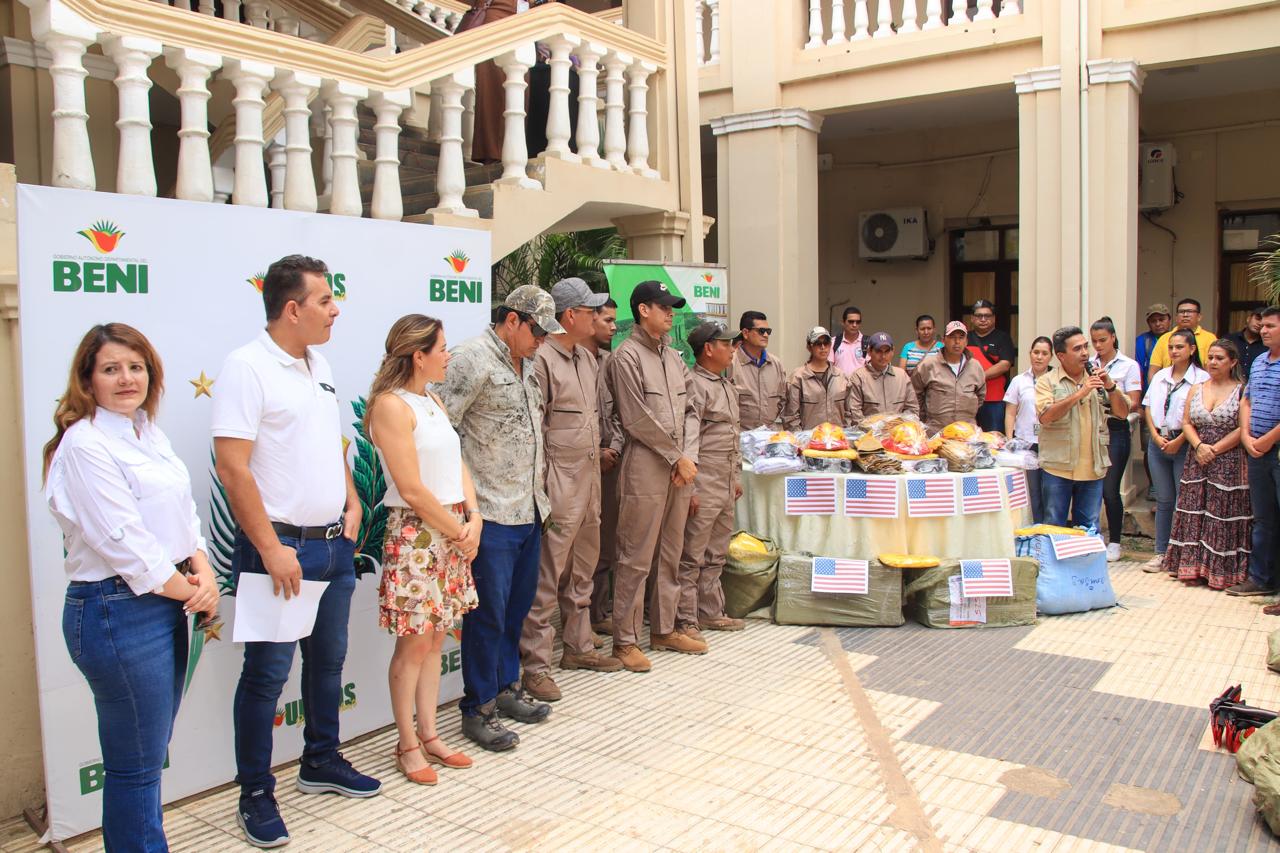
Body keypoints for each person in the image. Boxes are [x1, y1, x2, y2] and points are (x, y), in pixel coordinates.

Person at [212, 255, 379, 849]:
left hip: (333, 548)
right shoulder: (247, 367)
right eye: (326, 301)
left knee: (328, 665)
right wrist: (270, 548)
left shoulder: (321, 363)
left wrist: (353, 501)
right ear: (292, 309)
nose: (336, 309)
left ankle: (321, 760)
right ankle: (255, 791)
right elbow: (233, 468)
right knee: (265, 678)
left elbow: (327, 444)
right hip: (278, 552)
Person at [44, 324, 219, 853]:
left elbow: (184, 515)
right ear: (87, 380)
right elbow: (124, 542)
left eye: (136, 367)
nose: (126, 378)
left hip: (164, 601)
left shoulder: (146, 432)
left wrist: (203, 570)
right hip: (117, 610)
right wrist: (191, 591)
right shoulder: (85, 445)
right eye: (111, 369)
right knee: (135, 767)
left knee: (144, 757)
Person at [435, 286, 561, 751]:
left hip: (528, 510)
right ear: (512, 320)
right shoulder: (470, 358)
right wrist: (464, 505)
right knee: (487, 616)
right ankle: (479, 708)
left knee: (515, 610)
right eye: (536, 331)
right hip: (488, 513)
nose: (542, 341)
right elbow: (438, 428)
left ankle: (509, 691)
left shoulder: (527, 364)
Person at [365, 314, 480, 786]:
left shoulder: (431, 399)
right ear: (419, 355)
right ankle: (407, 743)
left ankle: (431, 734)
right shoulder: (391, 406)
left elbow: (458, 464)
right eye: (442, 348)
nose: (447, 355)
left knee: (435, 638)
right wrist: (457, 528)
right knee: (413, 644)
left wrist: (474, 518)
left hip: (451, 528)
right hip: (419, 534)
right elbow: (411, 489)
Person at [519, 279, 622, 704]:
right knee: (548, 575)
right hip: (558, 482)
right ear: (569, 316)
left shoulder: (588, 358)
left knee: (584, 566)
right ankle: (535, 666)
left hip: (590, 477)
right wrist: (542, 488)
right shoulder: (542, 359)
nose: (598, 318)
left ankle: (578, 648)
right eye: (590, 310)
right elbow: (535, 428)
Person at [608, 280, 703, 671]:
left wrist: (689, 457)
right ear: (643, 310)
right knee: (635, 556)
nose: (671, 314)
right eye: (664, 308)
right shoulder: (625, 357)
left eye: (673, 309)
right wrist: (674, 456)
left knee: (671, 551)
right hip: (646, 466)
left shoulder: (675, 357)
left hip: (681, 468)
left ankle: (665, 628)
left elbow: (693, 410)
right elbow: (634, 417)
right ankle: (625, 641)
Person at [1163, 339, 1250, 590]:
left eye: (1219, 358)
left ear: (1232, 362)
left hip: (1229, 459)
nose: (1213, 362)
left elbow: (1243, 426)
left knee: (1222, 514)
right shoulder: (1197, 388)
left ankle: (1220, 572)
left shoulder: (1241, 390)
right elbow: (1187, 422)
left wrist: (1216, 449)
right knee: (1194, 509)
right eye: (1210, 357)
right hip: (1197, 457)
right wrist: (1200, 446)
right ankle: (1192, 567)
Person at [678, 322, 746, 638]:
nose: (733, 349)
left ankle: (710, 611)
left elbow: (732, 435)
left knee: (716, 552)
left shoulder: (727, 385)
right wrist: (690, 488)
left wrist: (735, 476)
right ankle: (685, 618)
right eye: (727, 344)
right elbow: (690, 439)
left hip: (723, 479)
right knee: (691, 553)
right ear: (708, 348)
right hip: (703, 480)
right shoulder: (695, 384)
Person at [1036, 326, 1130, 530]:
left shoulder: (1097, 377)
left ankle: (1084, 563)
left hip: (1092, 468)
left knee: (1088, 528)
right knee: (1054, 527)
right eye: (1077, 348)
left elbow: (1122, 414)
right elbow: (1046, 417)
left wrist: (1111, 387)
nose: (1086, 353)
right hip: (1057, 467)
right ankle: (1054, 564)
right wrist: (1080, 393)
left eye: (1085, 347)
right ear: (1061, 356)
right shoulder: (1047, 382)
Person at [1141, 328, 1208, 571]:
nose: (1174, 351)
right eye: (1171, 347)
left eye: (1179, 347)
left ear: (1192, 349)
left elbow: (1197, 417)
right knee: (1164, 499)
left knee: (1184, 499)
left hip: (1184, 444)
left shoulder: (1201, 378)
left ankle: (1182, 553)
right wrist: (1156, 436)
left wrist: (1179, 441)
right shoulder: (1160, 377)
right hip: (1158, 442)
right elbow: (1148, 407)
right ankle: (1160, 552)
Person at [1231, 306, 1280, 599]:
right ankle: (1260, 579)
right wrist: (1248, 437)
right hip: (1257, 450)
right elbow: (1246, 401)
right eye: (1263, 326)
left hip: (1274, 450)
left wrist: (1267, 441)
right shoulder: (1260, 361)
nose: (1264, 330)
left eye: (1271, 326)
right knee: (1263, 518)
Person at [1089, 318, 1143, 562]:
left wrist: (1111, 390)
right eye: (1094, 341)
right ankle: (1093, 536)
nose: (1098, 345)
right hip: (1092, 428)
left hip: (1116, 427)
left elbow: (1134, 402)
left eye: (1102, 340)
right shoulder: (1088, 364)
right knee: (1092, 486)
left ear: (1113, 337)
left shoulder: (1128, 365)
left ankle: (1116, 541)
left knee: (1111, 489)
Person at [584, 299, 619, 638]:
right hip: (577, 467)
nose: (613, 327)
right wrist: (596, 450)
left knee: (605, 544)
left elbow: (621, 413)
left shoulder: (610, 362)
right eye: (607, 320)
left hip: (610, 465)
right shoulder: (562, 360)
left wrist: (613, 448)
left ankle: (598, 613)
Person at [455, 0, 519, 164]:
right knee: (493, 89)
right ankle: (491, 153)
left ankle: (512, 150)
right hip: (496, 20)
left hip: (521, 22)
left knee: (518, 92)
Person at [1003, 335, 1053, 524]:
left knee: (1050, 488)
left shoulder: (1055, 380)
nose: (1039, 357)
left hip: (1050, 443)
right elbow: (1010, 412)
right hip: (1025, 442)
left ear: (1051, 357)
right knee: (1031, 490)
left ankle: (1050, 527)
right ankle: (1034, 526)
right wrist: (1010, 439)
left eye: (1044, 353)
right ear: (1030, 354)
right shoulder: (1019, 380)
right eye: (1036, 352)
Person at [910, 320, 986, 432]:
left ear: (966, 341)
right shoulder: (928, 365)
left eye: (961, 337)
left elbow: (980, 395)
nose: (957, 342)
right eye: (952, 337)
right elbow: (915, 395)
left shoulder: (975, 366)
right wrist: (924, 420)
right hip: (936, 431)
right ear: (944, 340)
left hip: (967, 431)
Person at [783, 326, 852, 430]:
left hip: (837, 441)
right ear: (809, 347)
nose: (823, 347)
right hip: (809, 442)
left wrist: (845, 435)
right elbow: (790, 416)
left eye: (826, 343)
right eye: (818, 344)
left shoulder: (841, 376)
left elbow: (849, 412)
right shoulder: (798, 377)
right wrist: (801, 440)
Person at [966, 299, 1017, 434]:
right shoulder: (964, 338)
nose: (983, 319)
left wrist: (979, 377)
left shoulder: (1003, 338)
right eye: (979, 316)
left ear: (993, 318)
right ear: (972, 318)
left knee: (994, 439)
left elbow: (1005, 364)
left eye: (987, 316)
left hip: (994, 399)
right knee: (967, 438)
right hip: (967, 399)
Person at [730, 310, 786, 430]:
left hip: (769, 436)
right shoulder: (730, 362)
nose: (766, 335)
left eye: (768, 331)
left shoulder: (776, 364)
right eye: (761, 331)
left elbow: (783, 401)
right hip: (740, 437)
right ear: (745, 333)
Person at [846, 332, 919, 422]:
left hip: (897, 433)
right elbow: (854, 413)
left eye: (887, 351)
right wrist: (874, 429)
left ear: (893, 351)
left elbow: (912, 409)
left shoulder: (902, 376)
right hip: (868, 434)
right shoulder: (858, 377)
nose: (883, 356)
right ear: (869, 351)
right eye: (878, 351)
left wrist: (898, 426)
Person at [1147, 298, 1216, 381]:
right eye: (1181, 312)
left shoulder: (1209, 338)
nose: (1185, 315)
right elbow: (1153, 371)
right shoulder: (1165, 338)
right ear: (1176, 317)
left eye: (1190, 311)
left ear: (1199, 317)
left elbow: (1212, 370)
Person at [1134, 304, 1171, 393]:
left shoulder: (1177, 338)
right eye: (1153, 321)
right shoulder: (1142, 341)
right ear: (1148, 323)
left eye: (1161, 320)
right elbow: (1139, 372)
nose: (1158, 324)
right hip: (1149, 391)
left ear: (1169, 320)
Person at [1230, 310, 1267, 382]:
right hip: (1230, 387)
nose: (1259, 323)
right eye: (1258, 318)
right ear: (1248, 319)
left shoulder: (1267, 346)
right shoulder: (1230, 340)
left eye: (1263, 322)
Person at [829, 306, 867, 375]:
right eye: (851, 322)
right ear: (843, 322)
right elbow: (829, 368)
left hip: (862, 385)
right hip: (839, 385)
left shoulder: (868, 342)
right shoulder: (833, 342)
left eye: (858, 322)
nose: (854, 325)